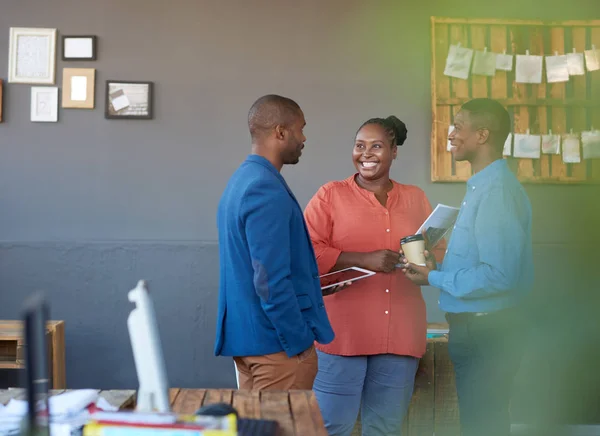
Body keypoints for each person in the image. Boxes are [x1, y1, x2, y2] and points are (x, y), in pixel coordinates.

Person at [303, 116, 445, 436]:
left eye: (377, 146)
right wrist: (364, 258)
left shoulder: (415, 198)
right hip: (343, 334)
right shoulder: (331, 195)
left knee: (385, 429)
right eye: (359, 146)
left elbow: (438, 251)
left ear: (394, 152)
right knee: (331, 427)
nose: (366, 154)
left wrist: (426, 267)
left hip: (400, 335)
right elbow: (305, 249)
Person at [401, 98, 533, 436]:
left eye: (459, 125)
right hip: (478, 329)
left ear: (483, 135)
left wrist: (434, 276)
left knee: (483, 425)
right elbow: (485, 264)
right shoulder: (482, 187)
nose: (451, 133)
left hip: (487, 332)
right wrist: (436, 269)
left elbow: (499, 275)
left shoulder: (495, 192)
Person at [215, 94, 334, 391]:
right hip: (276, 348)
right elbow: (269, 280)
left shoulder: (241, 180)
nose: (304, 137)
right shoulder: (264, 188)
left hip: (251, 343)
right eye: (300, 128)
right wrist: (298, 341)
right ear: (280, 132)